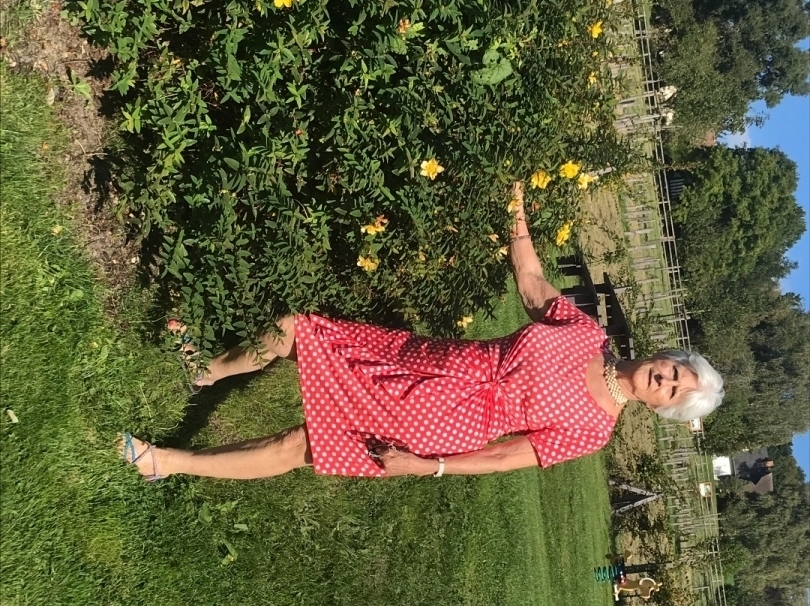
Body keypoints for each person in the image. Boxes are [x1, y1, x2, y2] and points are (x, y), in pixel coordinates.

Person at [121, 182, 724, 481]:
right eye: (676, 371)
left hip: (439, 422)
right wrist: (515, 208)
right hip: (425, 357)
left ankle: (166, 461)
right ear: (665, 356)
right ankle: (204, 371)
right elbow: (532, 283)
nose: (667, 381)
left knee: (303, 443)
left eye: (675, 392)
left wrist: (429, 466)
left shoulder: (593, 430)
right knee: (298, 331)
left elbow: (505, 456)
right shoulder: (584, 332)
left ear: (661, 408)